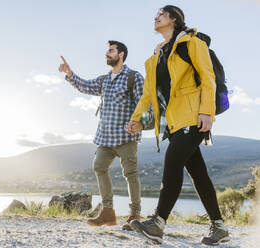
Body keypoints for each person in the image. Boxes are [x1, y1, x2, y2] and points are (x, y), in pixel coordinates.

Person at [125, 5, 229, 245]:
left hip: (194, 116)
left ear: (174, 19)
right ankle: (220, 227)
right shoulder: (155, 57)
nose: (155, 17)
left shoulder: (191, 43)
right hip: (174, 122)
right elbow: (148, 95)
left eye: (160, 14)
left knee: (172, 161)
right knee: (198, 173)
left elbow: (207, 77)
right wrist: (137, 119)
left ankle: (157, 223)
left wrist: (207, 112)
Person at [59, 41, 149, 229]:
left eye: (111, 51)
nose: (107, 54)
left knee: (130, 173)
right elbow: (84, 86)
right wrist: (70, 74)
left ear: (121, 54)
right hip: (105, 138)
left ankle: (135, 215)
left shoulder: (134, 77)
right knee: (99, 166)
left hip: (127, 137)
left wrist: (142, 124)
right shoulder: (104, 80)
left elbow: (146, 103)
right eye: (107, 51)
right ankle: (108, 212)